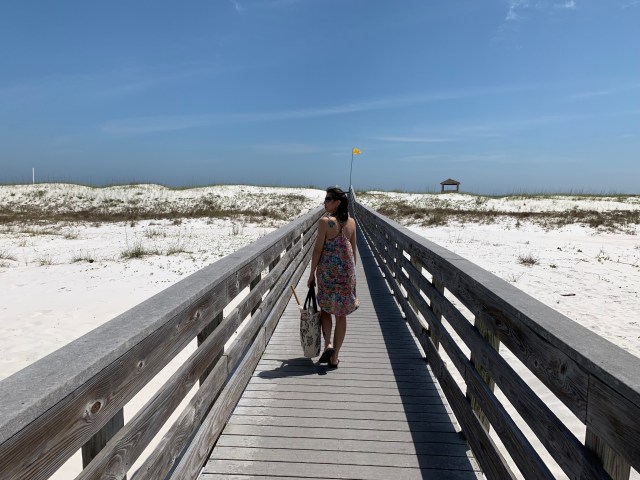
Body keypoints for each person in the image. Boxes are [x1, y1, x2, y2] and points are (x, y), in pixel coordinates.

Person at [307, 186, 359, 369]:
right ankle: (335, 357)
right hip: (346, 275)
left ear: (337, 203)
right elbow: (353, 251)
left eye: (328, 199)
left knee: (326, 309)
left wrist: (311, 273)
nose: (325, 202)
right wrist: (353, 277)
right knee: (341, 315)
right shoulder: (351, 223)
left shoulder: (325, 222)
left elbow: (317, 250)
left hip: (327, 273)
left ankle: (328, 343)